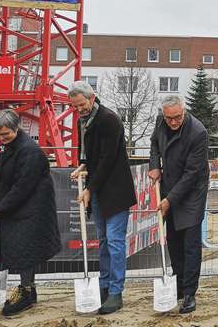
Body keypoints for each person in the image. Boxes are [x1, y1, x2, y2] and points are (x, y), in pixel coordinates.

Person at [0, 109, 61, 316]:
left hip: (32, 210)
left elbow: (23, 185)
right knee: (21, 250)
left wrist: (2, 208)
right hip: (22, 208)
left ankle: (26, 291)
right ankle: (28, 290)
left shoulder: (29, 150)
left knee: (25, 250)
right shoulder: (10, 147)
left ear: (16, 129)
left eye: (5, 134)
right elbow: (11, 172)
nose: (1, 138)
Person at [69, 80, 137, 315]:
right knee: (104, 241)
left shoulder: (109, 119)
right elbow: (90, 154)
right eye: (75, 106)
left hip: (115, 190)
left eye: (82, 104)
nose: (79, 109)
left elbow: (108, 159)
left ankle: (116, 291)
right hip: (98, 189)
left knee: (116, 241)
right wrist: (82, 165)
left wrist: (89, 188)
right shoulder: (83, 121)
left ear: (92, 97)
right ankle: (104, 285)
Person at [148, 95, 210, 314]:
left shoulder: (198, 132)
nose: (173, 122)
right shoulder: (160, 122)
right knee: (173, 241)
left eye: (177, 117)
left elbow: (192, 174)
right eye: (169, 118)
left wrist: (168, 200)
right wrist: (154, 165)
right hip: (169, 186)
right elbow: (154, 143)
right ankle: (179, 286)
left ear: (184, 112)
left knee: (190, 245)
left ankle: (190, 293)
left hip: (192, 192)